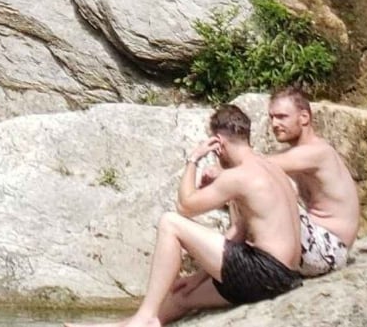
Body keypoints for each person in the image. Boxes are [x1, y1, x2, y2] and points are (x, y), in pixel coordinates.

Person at [66, 105, 302, 327]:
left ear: (218, 143)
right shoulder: (272, 169)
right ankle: (124, 325)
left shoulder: (239, 176)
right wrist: (198, 277)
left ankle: (144, 318)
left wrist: (194, 159)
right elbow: (239, 232)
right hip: (284, 278)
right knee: (183, 295)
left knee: (170, 223)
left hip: (263, 274)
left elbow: (185, 206)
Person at [266, 85, 360, 277]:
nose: (274, 123)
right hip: (319, 243)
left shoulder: (317, 153)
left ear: (304, 117)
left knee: (258, 189)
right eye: (272, 117)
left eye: (282, 117)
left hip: (330, 248)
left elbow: (257, 166)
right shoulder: (297, 154)